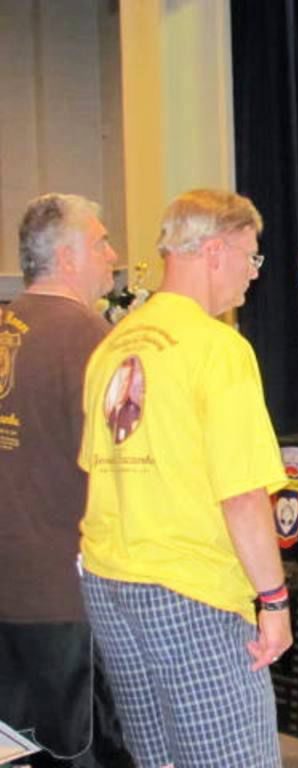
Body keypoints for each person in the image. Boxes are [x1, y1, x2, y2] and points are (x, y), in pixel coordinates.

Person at [78, 189, 292, 767]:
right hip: (190, 592)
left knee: (162, 761)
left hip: (110, 584)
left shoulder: (111, 345)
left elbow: (98, 470)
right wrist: (274, 601)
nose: (252, 274)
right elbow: (244, 495)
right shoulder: (218, 348)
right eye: (252, 257)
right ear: (215, 251)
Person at [0, 194, 131, 767]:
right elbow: (122, 473)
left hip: (11, 592)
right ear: (68, 256)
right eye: (102, 241)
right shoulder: (88, 340)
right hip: (66, 598)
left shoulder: (7, 324)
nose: (115, 254)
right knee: (80, 753)